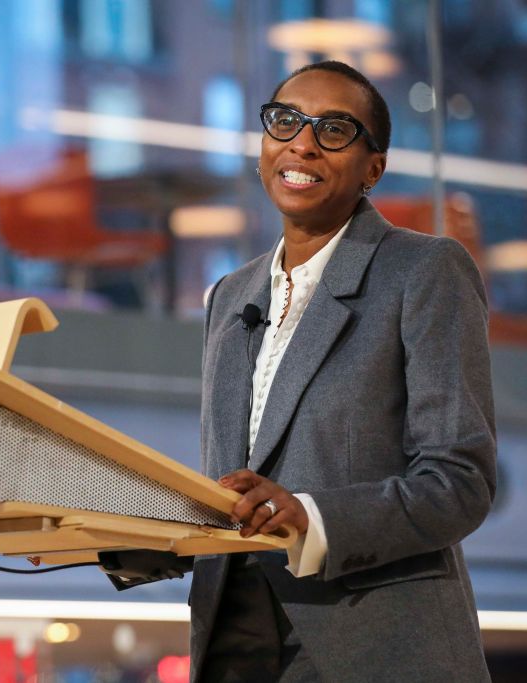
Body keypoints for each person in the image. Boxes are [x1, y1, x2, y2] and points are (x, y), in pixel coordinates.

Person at [191, 61, 496, 682]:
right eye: (285, 121)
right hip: (233, 638)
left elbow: (460, 481)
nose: (301, 142)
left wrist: (310, 515)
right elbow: (229, 484)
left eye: (334, 130)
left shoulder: (423, 270)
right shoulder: (229, 295)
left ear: (373, 169)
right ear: (262, 147)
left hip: (377, 647)